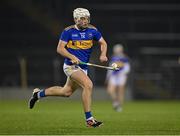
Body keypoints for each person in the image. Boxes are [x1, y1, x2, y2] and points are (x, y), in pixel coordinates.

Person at [28, 8, 108, 127]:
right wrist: (72, 56)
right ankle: (89, 120)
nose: (85, 21)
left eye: (86, 18)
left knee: (66, 92)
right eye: (82, 18)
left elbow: (103, 43)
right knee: (88, 84)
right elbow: (60, 48)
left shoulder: (93, 30)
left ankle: (37, 94)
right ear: (76, 19)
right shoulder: (68, 31)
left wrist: (103, 54)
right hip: (71, 66)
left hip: (83, 68)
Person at [106, 44, 130, 112]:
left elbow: (127, 68)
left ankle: (119, 106)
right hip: (113, 75)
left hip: (121, 76)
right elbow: (110, 68)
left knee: (120, 91)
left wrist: (122, 73)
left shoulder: (124, 58)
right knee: (110, 90)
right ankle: (116, 102)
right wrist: (107, 77)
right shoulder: (113, 57)